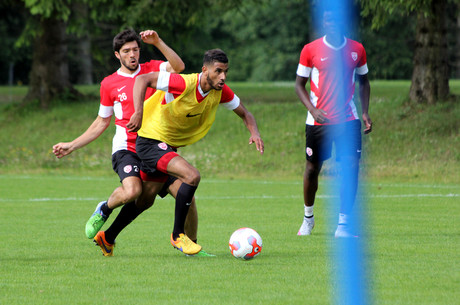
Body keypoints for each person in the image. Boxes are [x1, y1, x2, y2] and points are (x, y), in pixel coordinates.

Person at [52, 29, 210, 256]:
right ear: (118, 55)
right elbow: (101, 122)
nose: (132, 55)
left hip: (156, 147)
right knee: (133, 192)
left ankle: (192, 246)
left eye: (135, 49)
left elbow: (178, 67)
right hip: (128, 149)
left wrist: (158, 42)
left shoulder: (153, 69)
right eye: (126, 51)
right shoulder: (109, 84)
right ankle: (104, 208)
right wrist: (72, 145)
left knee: (186, 194)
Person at [94, 48, 264, 256]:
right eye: (218, 71)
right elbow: (143, 80)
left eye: (226, 72)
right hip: (149, 140)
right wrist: (138, 112)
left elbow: (245, 113)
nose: (223, 77)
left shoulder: (221, 91)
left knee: (146, 200)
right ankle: (178, 236)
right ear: (205, 70)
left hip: (165, 143)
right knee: (191, 176)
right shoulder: (183, 83)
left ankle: (107, 237)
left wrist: (254, 132)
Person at [295, 8, 372, 237]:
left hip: (348, 119)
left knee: (350, 167)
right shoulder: (310, 50)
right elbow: (299, 85)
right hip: (318, 122)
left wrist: (366, 112)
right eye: (327, 20)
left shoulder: (357, 49)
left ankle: (344, 224)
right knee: (312, 169)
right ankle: (308, 218)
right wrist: (313, 109)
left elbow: (365, 82)